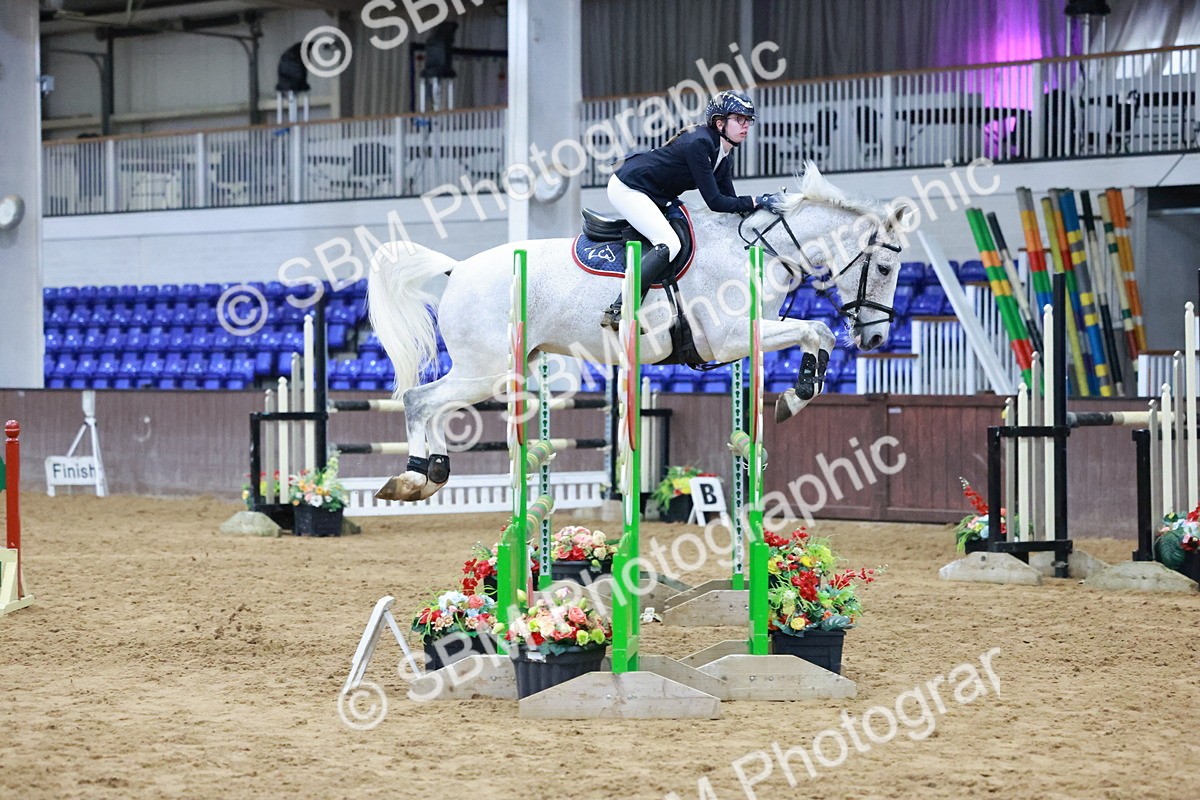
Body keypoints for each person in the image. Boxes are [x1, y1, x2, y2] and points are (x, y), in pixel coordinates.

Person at [600, 89, 785, 329]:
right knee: (669, 242)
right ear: (720, 123)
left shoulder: (724, 155)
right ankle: (620, 307)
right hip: (629, 186)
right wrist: (757, 200)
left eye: (748, 120)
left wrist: (766, 206)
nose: (746, 125)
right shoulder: (699, 143)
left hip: (657, 194)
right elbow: (715, 202)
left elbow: (730, 202)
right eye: (739, 119)